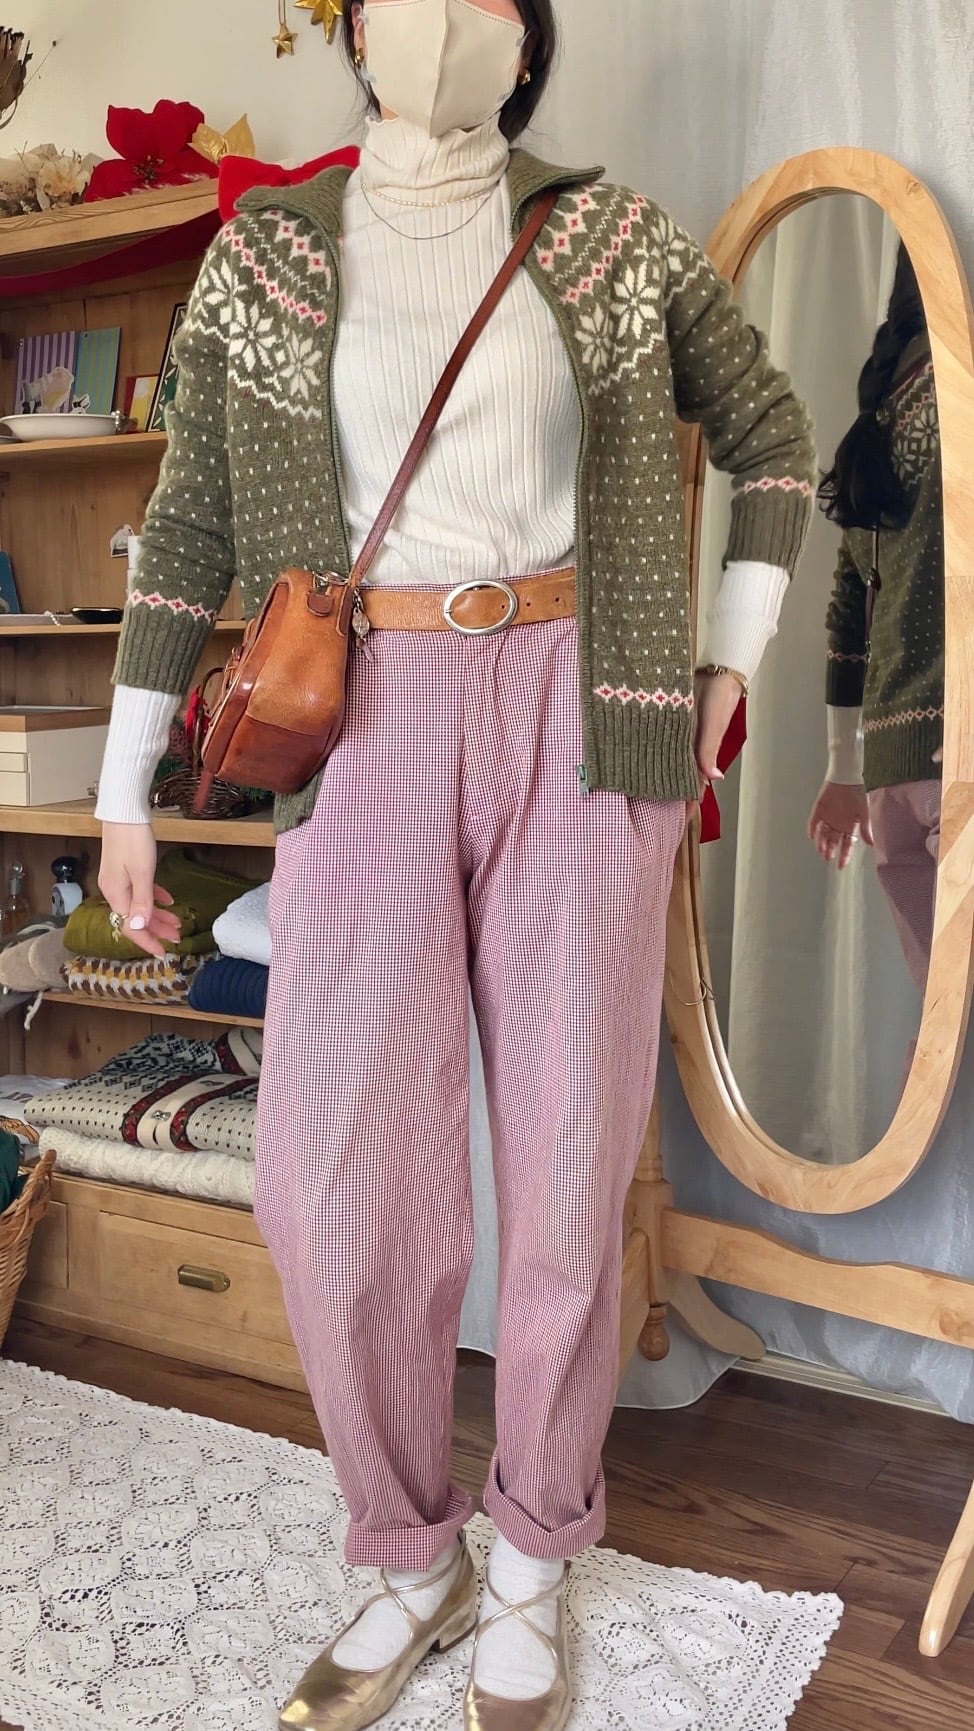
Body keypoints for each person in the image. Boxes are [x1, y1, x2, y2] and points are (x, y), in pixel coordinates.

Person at [95, 3, 815, 1726]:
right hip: (364, 715)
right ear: (353, 31)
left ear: (525, 38)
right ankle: (408, 1549)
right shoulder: (267, 255)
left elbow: (774, 442)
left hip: (579, 707)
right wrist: (124, 791)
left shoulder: (611, 237)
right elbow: (189, 522)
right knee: (332, 1181)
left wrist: (721, 672)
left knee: (564, 1166)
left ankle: (535, 1553)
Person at [808, 244, 944, 997]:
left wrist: (843, 768)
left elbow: (847, 613)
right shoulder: (957, 384)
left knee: (945, 1033)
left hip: (893, 774)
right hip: (957, 755)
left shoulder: (882, 412)